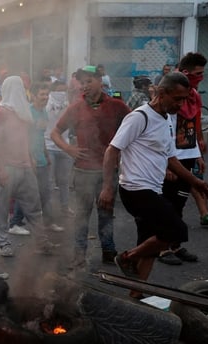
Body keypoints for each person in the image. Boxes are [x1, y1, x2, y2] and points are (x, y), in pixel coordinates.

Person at [98, 72, 208, 298]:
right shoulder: (140, 117)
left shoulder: (167, 120)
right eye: (177, 99)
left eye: (184, 99)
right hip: (135, 189)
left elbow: (171, 159)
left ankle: (135, 295)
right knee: (176, 230)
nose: (181, 105)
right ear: (161, 93)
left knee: (150, 245)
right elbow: (112, 149)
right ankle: (127, 257)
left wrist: (197, 183)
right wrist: (107, 187)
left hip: (153, 189)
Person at [50, 65, 130, 270]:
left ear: (100, 81)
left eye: (89, 81)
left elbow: (133, 129)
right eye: (82, 82)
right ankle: (79, 254)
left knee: (106, 213)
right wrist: (69, 149)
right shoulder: (75, 108)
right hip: (82, 171)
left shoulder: (117, 106)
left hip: (107, 172)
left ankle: (108, 250)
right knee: (81, 216)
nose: (85, 86)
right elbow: (55, 133)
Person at [0, 76, 57, 258]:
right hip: (8, 168)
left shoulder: (22, 112)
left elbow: (26, 139)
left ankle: (41, 242)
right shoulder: (0, 112)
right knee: (2, 209)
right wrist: (1, 168)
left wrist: (31, 159)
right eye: (18, 87)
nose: (22, 90)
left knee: (34, 206)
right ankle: (3, 243)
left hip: (26, 166)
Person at [156, 52, 208, 265]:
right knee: (166, 204)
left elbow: (193, 125)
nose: (201, 77)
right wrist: (167, 163)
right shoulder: (173, 93)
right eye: (198, 74)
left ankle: (175, 245)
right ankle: (161, 248)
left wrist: (198, 154)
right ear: (186, 72)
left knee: (179, 202)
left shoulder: (193, 95)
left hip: (187, 154)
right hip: (172, 158)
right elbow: (164, 129)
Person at [29, 82, 64, 232]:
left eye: (46, 94)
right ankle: (17, 223)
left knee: (45, 192)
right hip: (30, 159)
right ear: (34, 96)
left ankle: (48, 223)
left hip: (41, 158)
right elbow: (24, 137)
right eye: (42, 94)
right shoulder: (28, 112)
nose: (45, 97)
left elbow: (40, 135)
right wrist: (30, 157)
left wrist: (45, 154)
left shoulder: (43, 112)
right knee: (29, 193)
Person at [44, 80, 74, 217]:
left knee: (64, 180)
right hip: (49, 146)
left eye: (64, 90)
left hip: (64, 146)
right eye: (59, 91)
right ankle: (49, 209)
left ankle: (65, 206)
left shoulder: (68, 105)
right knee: (49, 181)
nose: (62, 93)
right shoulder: (47, 104)